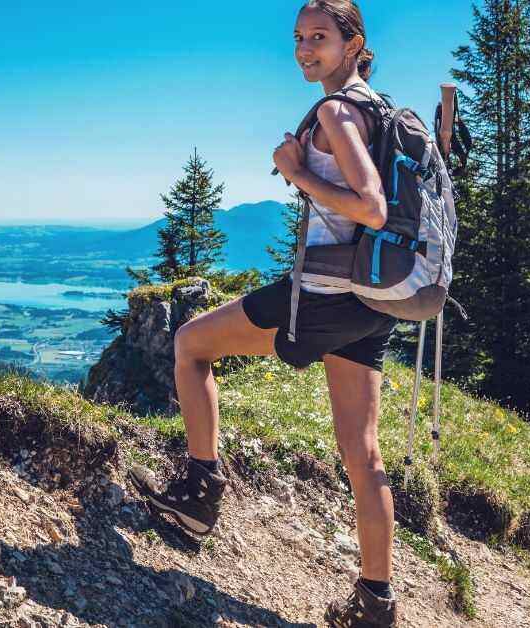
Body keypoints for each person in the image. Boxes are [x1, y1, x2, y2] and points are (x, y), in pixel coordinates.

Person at [127, 1, 399, 625]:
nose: (306, 49)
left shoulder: (337, 110)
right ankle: (375, 602)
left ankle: (198, 492)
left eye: (320, 38)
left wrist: (297, 172)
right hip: (373, 298)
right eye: (299, 37)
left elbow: (372, 208)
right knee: (363, 451)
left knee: (192, 344)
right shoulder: (384, 112)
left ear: (354, 42)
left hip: (326, 289)